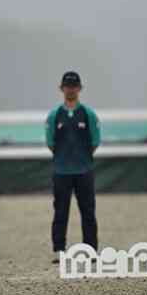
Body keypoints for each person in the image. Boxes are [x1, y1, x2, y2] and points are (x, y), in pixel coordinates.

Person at [45, 71, 101, 263]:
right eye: (68, 86)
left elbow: (95, 140)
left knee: (88, 211)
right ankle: (59, 250)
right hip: (61, 171)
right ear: (62, 88)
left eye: (74, 86)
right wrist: (63, 159)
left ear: (79, 88)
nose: (71, 89)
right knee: (60, 211)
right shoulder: (55, 115)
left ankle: (91, 249)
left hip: (84, 171)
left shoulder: (88, 114)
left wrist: (82, 158)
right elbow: (50, 142)